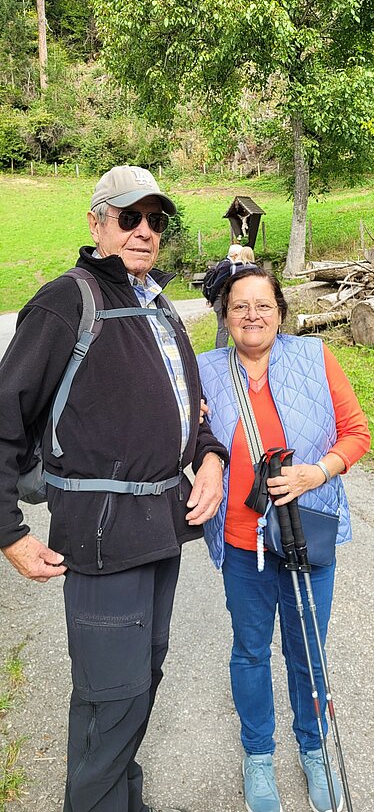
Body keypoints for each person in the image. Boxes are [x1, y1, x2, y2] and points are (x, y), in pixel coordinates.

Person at [0, 165, 229, 812]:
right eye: (130, 217)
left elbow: (193, 411)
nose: (144, 231)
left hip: (160, 531)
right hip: (101, 538)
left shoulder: (159, 307)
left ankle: (119, 798)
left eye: (156, 219)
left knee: (134, 684)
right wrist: (9, 533)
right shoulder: (66, 302)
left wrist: (209, 458)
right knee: (114, 695)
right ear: (97, 223)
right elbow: (3, 419)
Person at [197, 267, 370, 812]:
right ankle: (259, 755)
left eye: (264, 305)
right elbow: (182, 432)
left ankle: (315, 749)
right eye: (240, 305)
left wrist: (315, 473)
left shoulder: (316, 358)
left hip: (306, 534)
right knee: (250, 651)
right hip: (242, 540)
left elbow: (358, 433)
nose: (253, 315)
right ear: (225, 315)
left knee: (307, 650)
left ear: (280, 312)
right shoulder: (203, 370)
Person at [205, 243, 243, 348]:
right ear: (235, 255)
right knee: (223, 327)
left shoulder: (224, 264)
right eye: (240, 255)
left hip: (219, 300)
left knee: (226, 326)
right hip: (219, 300)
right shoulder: (227, 266)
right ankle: (220, 351)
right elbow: (217, 285)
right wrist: (211, 300)